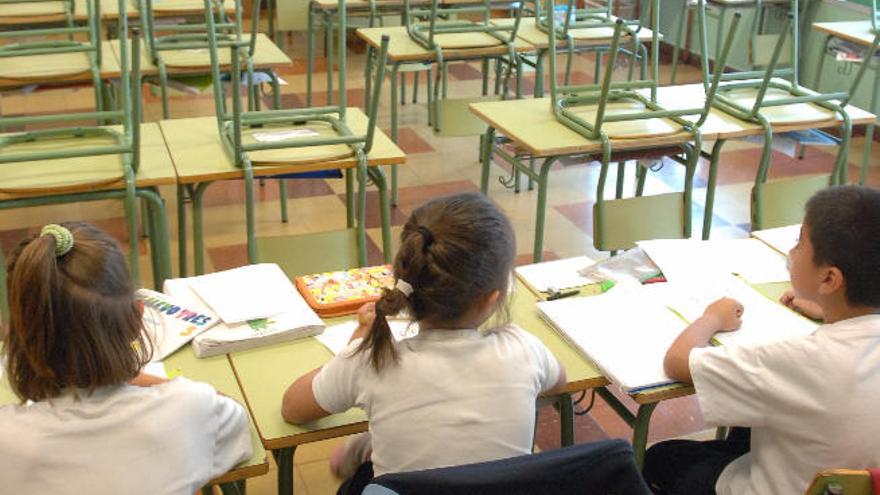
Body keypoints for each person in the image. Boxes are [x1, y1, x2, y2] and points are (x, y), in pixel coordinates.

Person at [281, 192, 567, 494]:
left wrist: (358, 342)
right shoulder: (524, 350)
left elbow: (292, 408)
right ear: (492, 298)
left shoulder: (372, 360)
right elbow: (558, 383)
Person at [643, 185, 880, 495]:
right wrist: (828, 308)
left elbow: (677, 362)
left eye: (799, 243)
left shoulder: (800, 360)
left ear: (829, 280)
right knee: (749, 427)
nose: (792, 252)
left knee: (660, 458)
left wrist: (712, 318)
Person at [0, 222, 252, 495]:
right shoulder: (191, 406)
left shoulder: (10, 439)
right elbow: (234, 426)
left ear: (18, 333)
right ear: (137, 317)